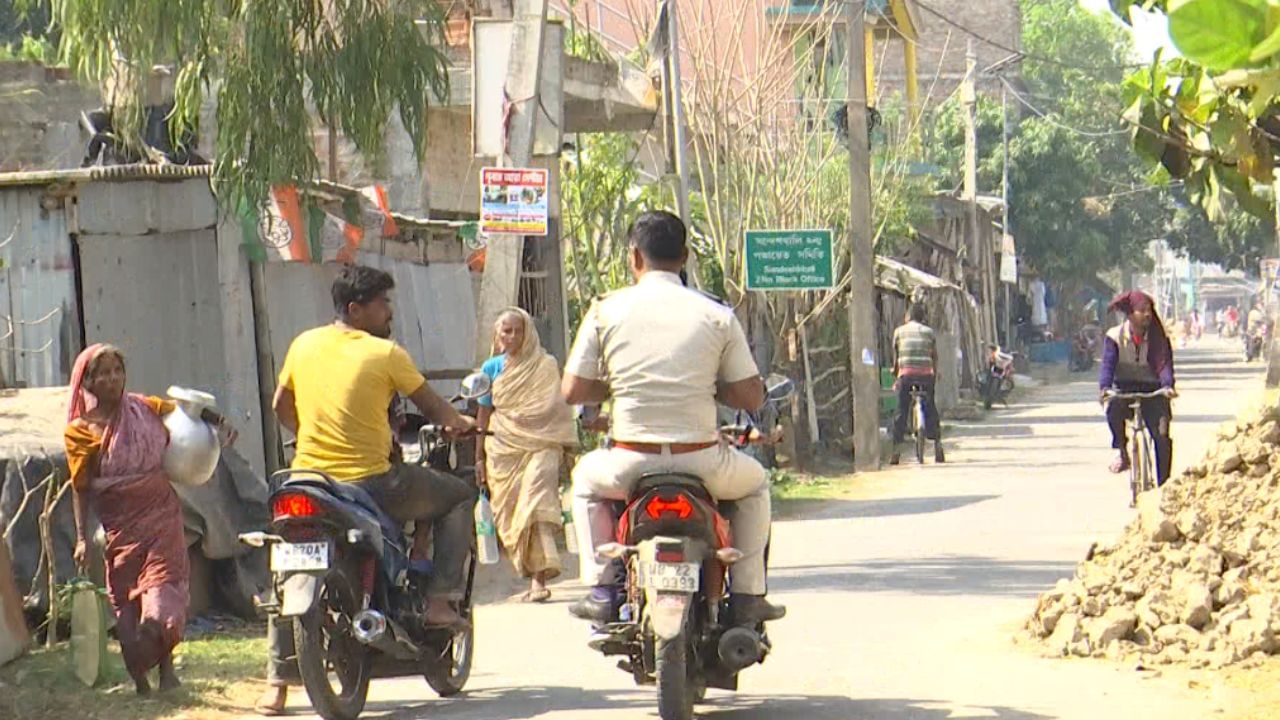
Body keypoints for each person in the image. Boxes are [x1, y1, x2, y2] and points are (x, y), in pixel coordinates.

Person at [257, 265, 477, 715]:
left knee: (286, 563)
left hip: (308, 481)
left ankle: (276, 683)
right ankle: (438, 602)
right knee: (457, 496)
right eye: (383, 304)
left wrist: (308, 436)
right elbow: (435, 408)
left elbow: (281, 405)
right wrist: (460, 423)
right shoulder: (385, 353)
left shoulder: (303, 344)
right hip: (371, 483)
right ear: (356, 309)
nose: (389, 311)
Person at [561, 210, 784, 627]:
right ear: (684, 257)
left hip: (629, 463)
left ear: (634, 258)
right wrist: (708, 385)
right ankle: (750, 595)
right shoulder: (717, 314)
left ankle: (602, 588)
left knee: (586, 483)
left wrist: (615, 387)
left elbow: (573, 390)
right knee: (755, 486)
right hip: (701, 461)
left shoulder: (605, 311)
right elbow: (750, 394)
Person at [64, 344, 236, 695]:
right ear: (88, 383)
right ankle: (140, 677)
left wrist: (220, 423)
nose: (112, 379)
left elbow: (188, 411)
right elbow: (80, 488)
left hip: (161, 515)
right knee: (128, 600)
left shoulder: (144, 408)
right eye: (103, 374)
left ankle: (166, 667)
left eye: (117, 370)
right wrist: (82, 537)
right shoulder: (80, 433)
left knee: (163, 592)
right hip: (120, 526)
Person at [475, 307, 578, 603]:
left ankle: (538, 579)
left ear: (528, 332)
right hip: (502, 449)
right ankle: (527, 569)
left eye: (517, 330)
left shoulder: (545, 365)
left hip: (543, 444)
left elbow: (555, 408)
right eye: (506, 331)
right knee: (509, 513)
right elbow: (483, 414)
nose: (512, 336)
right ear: (497, 334)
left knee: (535, 503)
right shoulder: (491, 369)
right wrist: (479, 458)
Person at [1098, 291, 1176, 484]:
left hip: (1153, 390)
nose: (1147, 315)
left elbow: (1164, 364)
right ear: (1130, 314)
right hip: (1124, 388)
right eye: (1142, 311)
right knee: (1113, 409)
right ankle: (1123, 452)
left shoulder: (1159, 337)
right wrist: (1105, 388)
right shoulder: (1114, 337)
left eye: (1149, 310)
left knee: (1162, 435)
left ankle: (1163, 484)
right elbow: (1107, 364)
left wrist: (1167, 386)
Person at [889, 304, 944, 465]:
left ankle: (896, 451)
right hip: (926, 376)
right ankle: (938, 446)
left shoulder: (899, 332)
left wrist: (895, 373)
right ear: (922, 318)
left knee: (901, 409)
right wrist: (935, 372)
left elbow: (896, 357)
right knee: (931, 407)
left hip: (906, 375)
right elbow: (934, 356)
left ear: (907, 317)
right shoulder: (929, 332)